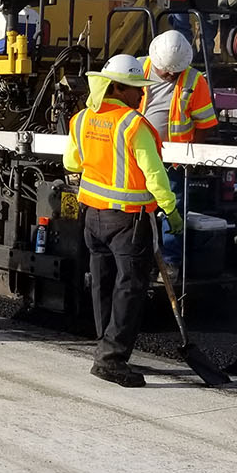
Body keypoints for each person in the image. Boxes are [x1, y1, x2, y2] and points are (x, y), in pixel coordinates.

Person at [64, 54, 182, 388]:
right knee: (130, 286)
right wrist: (171, 210)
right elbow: (155, 174)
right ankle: (112, 359)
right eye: (134, 89)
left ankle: (106, 345)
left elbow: (72, 162)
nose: (141, 94)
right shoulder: (133, 125)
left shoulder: (82, 119)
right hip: (128, 222)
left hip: (92, 218)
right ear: (115, 87)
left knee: (102, 280)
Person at [139, 29, 218, 270]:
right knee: (137, 207)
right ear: (156, 61)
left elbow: (205, 123)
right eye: (167, 72)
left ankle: (170, 263)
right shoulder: (137, 69)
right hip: (137, 155)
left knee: (173, 208)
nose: (172, 75)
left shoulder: (194, 81)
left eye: (176, 71)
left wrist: (193, 154)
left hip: (172, 160)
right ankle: (140, 258)